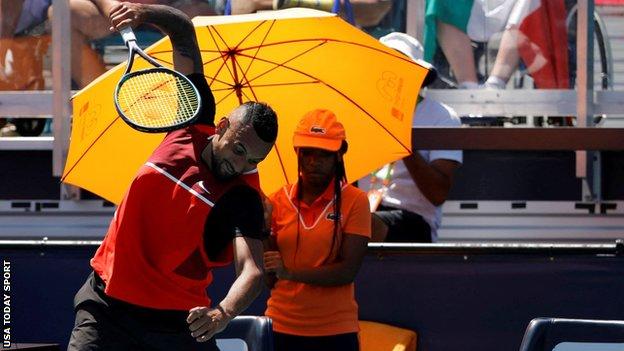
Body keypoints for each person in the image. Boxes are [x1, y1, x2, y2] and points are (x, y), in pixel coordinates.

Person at [67, 2, 278, 350]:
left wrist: (222, 313)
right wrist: (143, 13)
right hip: (105, 306)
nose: (241, 165)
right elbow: (182, 31)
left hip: (176, 325)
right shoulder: (192, 119)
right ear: (222, 127)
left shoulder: (242, 197)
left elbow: (252, 272)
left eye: (254, 160)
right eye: (239, 150)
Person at [263, 109, 371, 351]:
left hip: (336, 330)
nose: (314, 161)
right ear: (297, 152)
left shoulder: (356, 200)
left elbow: (346, 272)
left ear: (340, 154)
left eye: (324, 153)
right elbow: (269, 279)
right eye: (307, 151)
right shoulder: (275, 201)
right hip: (279, 326)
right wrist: (262, 230)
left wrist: (289, 273)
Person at [360, 32, 462, 243]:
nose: (392, 74)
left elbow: (437, 194)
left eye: (402, 67)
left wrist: (400, 142)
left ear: (418, 74)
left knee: (360, 226)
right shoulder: (361, 112)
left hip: (414, 219)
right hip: (362, 216)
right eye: (387, 65)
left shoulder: (442, 116)